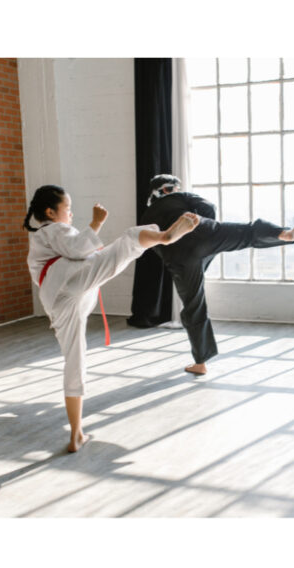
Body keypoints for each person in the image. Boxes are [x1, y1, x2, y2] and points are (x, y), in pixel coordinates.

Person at [24, 184, 199, 452]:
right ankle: (164, 236)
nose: (70, 214)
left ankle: (76, 434)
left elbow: (74, 254)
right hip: (71, 281)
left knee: (75, 359)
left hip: (57, 300)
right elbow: (78, 249)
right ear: (50, 212)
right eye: (67, 209)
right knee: (129, 239)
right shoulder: (53, 229)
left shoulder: (39, 240)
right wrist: (96, 223)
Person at [138, 175, 294, 375]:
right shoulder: (180, 197)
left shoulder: (146, 217)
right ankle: (284, 234)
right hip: (203, 232)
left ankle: (201, 363)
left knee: (194, 304)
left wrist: (175, 259)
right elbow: (208, 206)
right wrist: (209, 231)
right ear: (167, 189)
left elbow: (152, 244)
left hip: (178, 256)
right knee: (247, 233)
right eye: (176, 187)